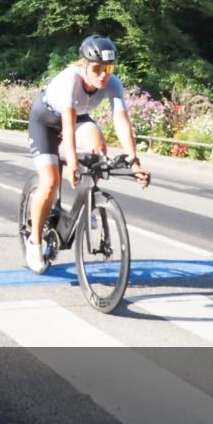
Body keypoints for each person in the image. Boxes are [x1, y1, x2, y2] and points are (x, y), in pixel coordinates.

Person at [25, 35, 151, 273]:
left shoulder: (113, 84)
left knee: (100, 150)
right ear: (84, 65)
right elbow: (67, 125)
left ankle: (88, 203)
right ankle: (34, 241)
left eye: (109, 68)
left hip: (78, 119)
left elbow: (121, 121)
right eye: (97, 69)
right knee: (50, 182)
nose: (103, 75)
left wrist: (134, 162)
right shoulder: (69, 81)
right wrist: (72, 161)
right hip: (45, 121)